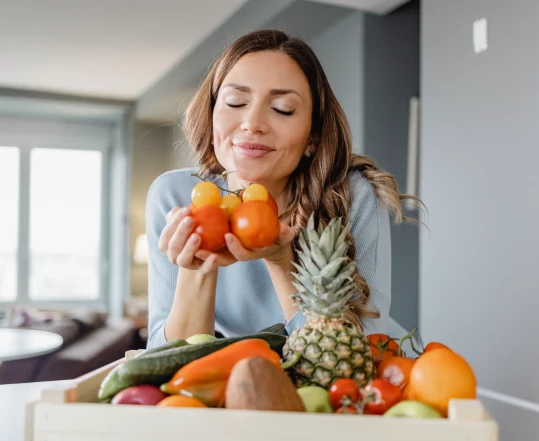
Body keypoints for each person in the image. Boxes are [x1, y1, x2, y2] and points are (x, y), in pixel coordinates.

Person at [145, 29, 416, 349]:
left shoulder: (352, 196)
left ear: (312, 137)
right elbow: (165, 362)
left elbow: (360, 350)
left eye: (283, 108)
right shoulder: (174, 195)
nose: (252, 122)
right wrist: (198, 268)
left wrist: (281, 260)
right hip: (250, 380)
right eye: (236, 101)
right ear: (212, 111)